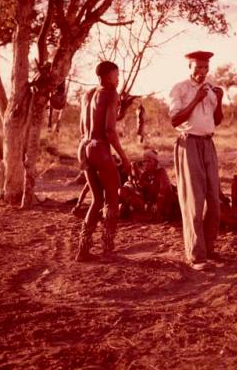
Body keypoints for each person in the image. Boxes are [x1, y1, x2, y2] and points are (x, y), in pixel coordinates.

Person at [169, 50, 224, 271]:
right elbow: (175, 120)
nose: (203, 71)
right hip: (188, 143)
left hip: (208, 144)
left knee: (214, 200)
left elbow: (216, 120)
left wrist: (219, 100)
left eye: (206, 67)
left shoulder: (211, 89)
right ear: (190, 67)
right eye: (198, 67)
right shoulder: (180, 88)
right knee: (193, 201)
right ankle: (196, 256)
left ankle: (209, 249)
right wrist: (195, 99)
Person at [75, 61, 131, 261]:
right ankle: (107, 251)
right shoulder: (110, 93)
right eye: (116, 75)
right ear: (107, 76)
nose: (118, 79)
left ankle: (83, 250)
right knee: (112, 200)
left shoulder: (87, 95)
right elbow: (109, 130)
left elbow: (83, 128)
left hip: (84, 147)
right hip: (100, 148)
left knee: (97, 199)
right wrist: (124, 157)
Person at [119, 149, 178, 222]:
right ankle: (146, 212)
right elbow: (141, 191)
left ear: (155, 163)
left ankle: (151, 215)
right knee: (122, 191)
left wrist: (157, 209)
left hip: (162, 206)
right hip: (149, 205)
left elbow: (164, 192)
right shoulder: (144, 175)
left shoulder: (161, 173)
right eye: (144, 161)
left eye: (149, 161)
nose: (146, 163)